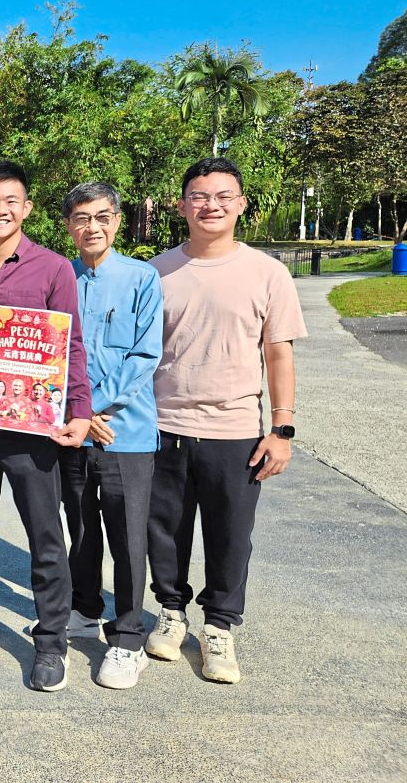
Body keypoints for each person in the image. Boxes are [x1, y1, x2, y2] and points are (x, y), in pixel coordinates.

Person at [145, 158, 306, 684]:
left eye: (222, 195)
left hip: (235, 430)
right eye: (198, 195)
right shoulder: (157, 271)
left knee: (231, 534)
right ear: (181, 205)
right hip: (162, 425)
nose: (210, 204)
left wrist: (281, 429)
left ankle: (219, 627)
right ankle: (171, 612)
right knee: (163, 531)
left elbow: (279, 354)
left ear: (239, 204)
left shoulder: (267, 272)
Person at [0, 160, 91, 693]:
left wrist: (79, 410)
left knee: (44, 530)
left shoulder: (54, 270)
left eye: (11, 201)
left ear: (26, 208)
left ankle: (52, 639)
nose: (0, 210)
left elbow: (70, 346)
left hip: (31, 427)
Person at [56, 181, 163, 689]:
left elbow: (145, 356)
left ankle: (127, 636)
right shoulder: (59, 277)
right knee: (79, 525)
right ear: (68, 225)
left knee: (127, 535)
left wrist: (91, 407)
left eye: (101, 217)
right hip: (72, 432)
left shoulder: (143, 279)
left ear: (117, 220)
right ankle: (83, 606)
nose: (91, 227)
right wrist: (76, 412)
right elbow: (47, 352)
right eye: (81, 218)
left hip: (127, 430)